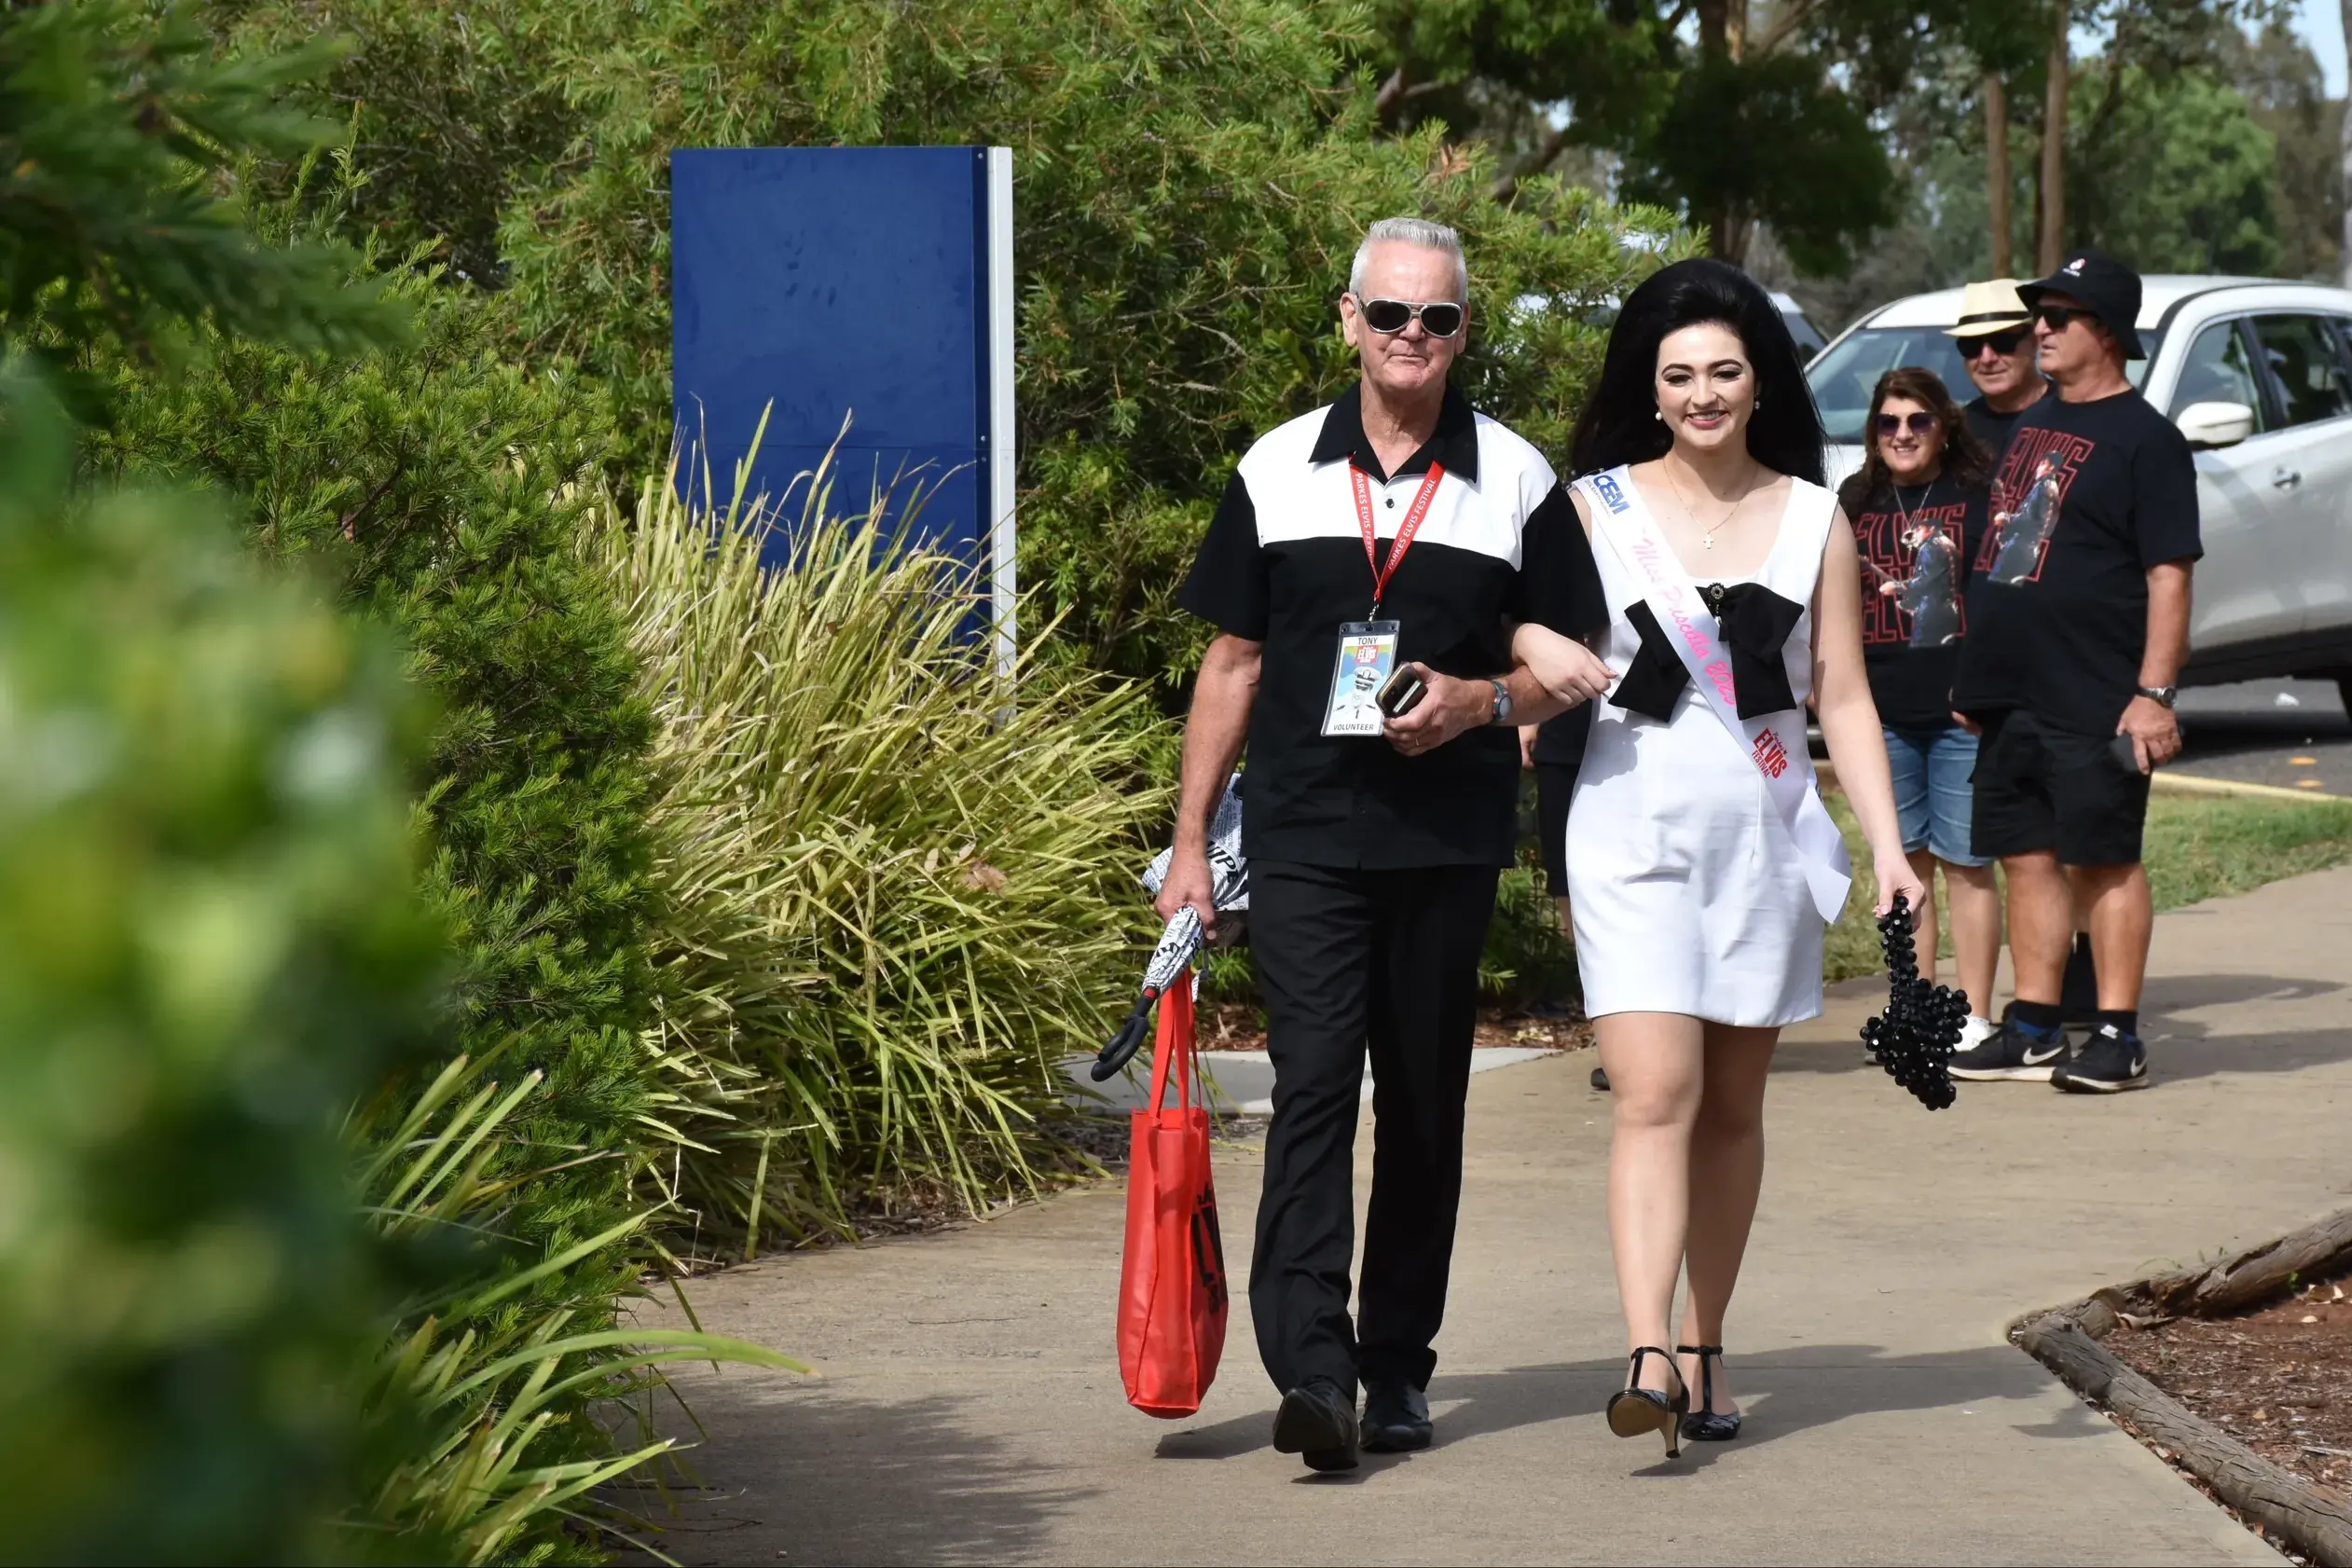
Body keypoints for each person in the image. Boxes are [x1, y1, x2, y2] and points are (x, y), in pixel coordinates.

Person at [1158, 216, 1613, 1473]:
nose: (1412, 337)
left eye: (1439, 318)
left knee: (1420, 1104)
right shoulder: (1273, 469)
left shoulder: (1515, 479)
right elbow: (1232, 661)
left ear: (1462, 334)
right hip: (1301, 833)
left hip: (1442, 838)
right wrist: (1190, 842)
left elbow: (1573, 665)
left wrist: (1479, 702)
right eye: (1390, 313)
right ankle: (1313, 1366)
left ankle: (1395, 1364)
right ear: (1346, 319)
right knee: (1310, 1091)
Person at [1513, 259, 1923, 1458]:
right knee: (1656, 1092)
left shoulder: (1814, 515)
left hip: (1765, 832)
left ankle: (1704, 1340)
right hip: (1630, 822)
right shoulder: (1594, 508)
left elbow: (1840, 692)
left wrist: (1889, 850)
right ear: (1650, 390)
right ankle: (1643, 1348)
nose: (1701, 393)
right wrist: (1542, 636)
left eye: (1724, 373)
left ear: (1758, 386)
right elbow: (1513, 622)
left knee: (1734, 1105)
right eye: (1679, 374)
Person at [1947, 251, 2200, 1093]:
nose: (2038, 332)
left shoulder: (2148, 442)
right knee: (2025, 857)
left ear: (2107, 332)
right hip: (2011, 692)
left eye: (2056, 317)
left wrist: (2153, 695)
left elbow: (2169, 574)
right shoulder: (2033, 421)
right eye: (2038, 317)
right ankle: (2033, 1026)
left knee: (2103, 861)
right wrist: (1977, 677)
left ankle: (2118, 1036)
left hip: (2095, 692)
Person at [1837, 368, 2001, 1048]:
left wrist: (1986, 689)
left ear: (1943, 426)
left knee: (1966, 862)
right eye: (1887, 423)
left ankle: (1974, 1014)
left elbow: (1998, 599)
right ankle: (1914, 1010)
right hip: (1880, 714)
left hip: (1961, 712)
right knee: (1903, 866)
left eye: (1917, 421)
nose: (1902, 434)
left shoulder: (1974, 495)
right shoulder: (1853, 499)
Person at [1946, 278, 2047, 461]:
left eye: (2002, 342)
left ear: (2034, 343)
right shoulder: (1954, 434)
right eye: (1972, 345)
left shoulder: (2075, 413)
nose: (1987, 358)